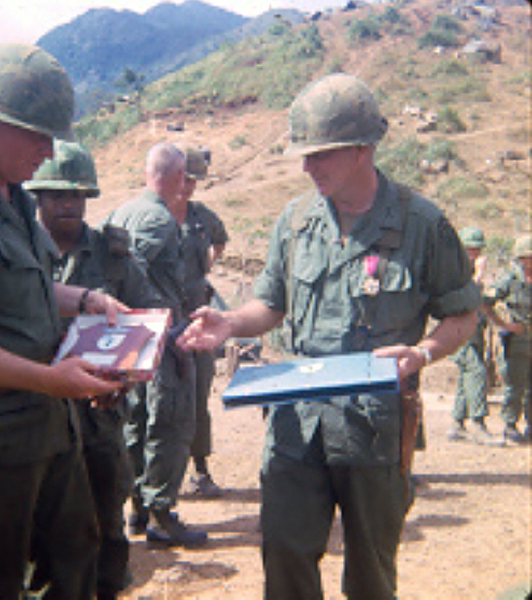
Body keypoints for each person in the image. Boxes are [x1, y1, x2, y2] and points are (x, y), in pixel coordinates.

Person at [178, 73, 479, 600]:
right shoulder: (295, 222)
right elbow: (270, 304)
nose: (306, 167)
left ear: (362, 148)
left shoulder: (424, 226)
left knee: (370, 574)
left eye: (320, 154)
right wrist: (230, 324)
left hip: (375, 430)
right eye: (303, 154)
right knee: (286, 561)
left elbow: (462, 315)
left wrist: (423, 353)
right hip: (297, 423)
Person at [0, 43, 131, 599]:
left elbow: (29, 288)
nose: (47, 153)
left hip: (52, 424)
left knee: (72, 566)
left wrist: (89, 301)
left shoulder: (14, 197)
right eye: (36, 136)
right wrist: (50, 379)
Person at [25, 140, 164, 599]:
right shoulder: (19, 251)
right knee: (42, 535)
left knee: (106, 526)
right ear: (37, 196)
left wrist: (123, 378)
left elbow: (145, 322)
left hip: (99, 416)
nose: (68, 204)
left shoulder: (113, 253)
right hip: (35, 412)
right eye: (56, 195)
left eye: (77, 195)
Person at [104, 142, 208, 547]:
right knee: (171, 423)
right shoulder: (160, 220)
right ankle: (161, 514)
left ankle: (138, 509)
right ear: (178, 177)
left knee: (136, 422)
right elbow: (132, 272)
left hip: (132, 335)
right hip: (161, 334)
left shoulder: (123, 211)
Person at [171, 146, 228, 498]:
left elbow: (220, 240)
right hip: (161, 321)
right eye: (183, 179)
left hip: (197, 319)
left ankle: (201, 470)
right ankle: (153, 483)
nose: (188, 187)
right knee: (154, 402)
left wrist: (207, 265)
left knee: (198, 399)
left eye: (194, 180)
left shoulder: (201, 217)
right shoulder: (151, 216)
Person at [448, 227, 503, 445]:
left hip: (475, 329)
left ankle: (457, 423)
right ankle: (478, 424)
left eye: (477, 249)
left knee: (467, 375)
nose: (474, 254)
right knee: (476, 371)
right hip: (456, 329)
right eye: (470, 249)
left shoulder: (467, 268)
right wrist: (478, 276)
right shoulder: (452, 269)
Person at [482, 234, 532, 443]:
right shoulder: (510, 279)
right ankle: (510, 425)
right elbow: (485, 302)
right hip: (518, 341)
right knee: (515, 384)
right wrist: (505, 325)